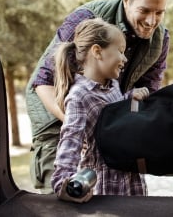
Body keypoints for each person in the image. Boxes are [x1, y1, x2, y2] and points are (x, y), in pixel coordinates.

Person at [25, 0, 173, 193]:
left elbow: (147, 92)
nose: (152, 21)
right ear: (126, 0)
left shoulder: (160, 39)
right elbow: (43, 81)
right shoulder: (87, 19)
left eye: (160, 12)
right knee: (65, 199)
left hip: (106, 124)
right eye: (144, 10)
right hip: (58, 117)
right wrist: (80, 125)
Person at [50, 18, 150, 202]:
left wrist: (129, 97)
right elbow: (70, 142)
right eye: (120, 51)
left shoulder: (112, 85)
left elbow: (112, 117)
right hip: (107, 188)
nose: (125, 58)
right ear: (97, 51)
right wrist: (62, 183)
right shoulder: (80, 96)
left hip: (130, 181)